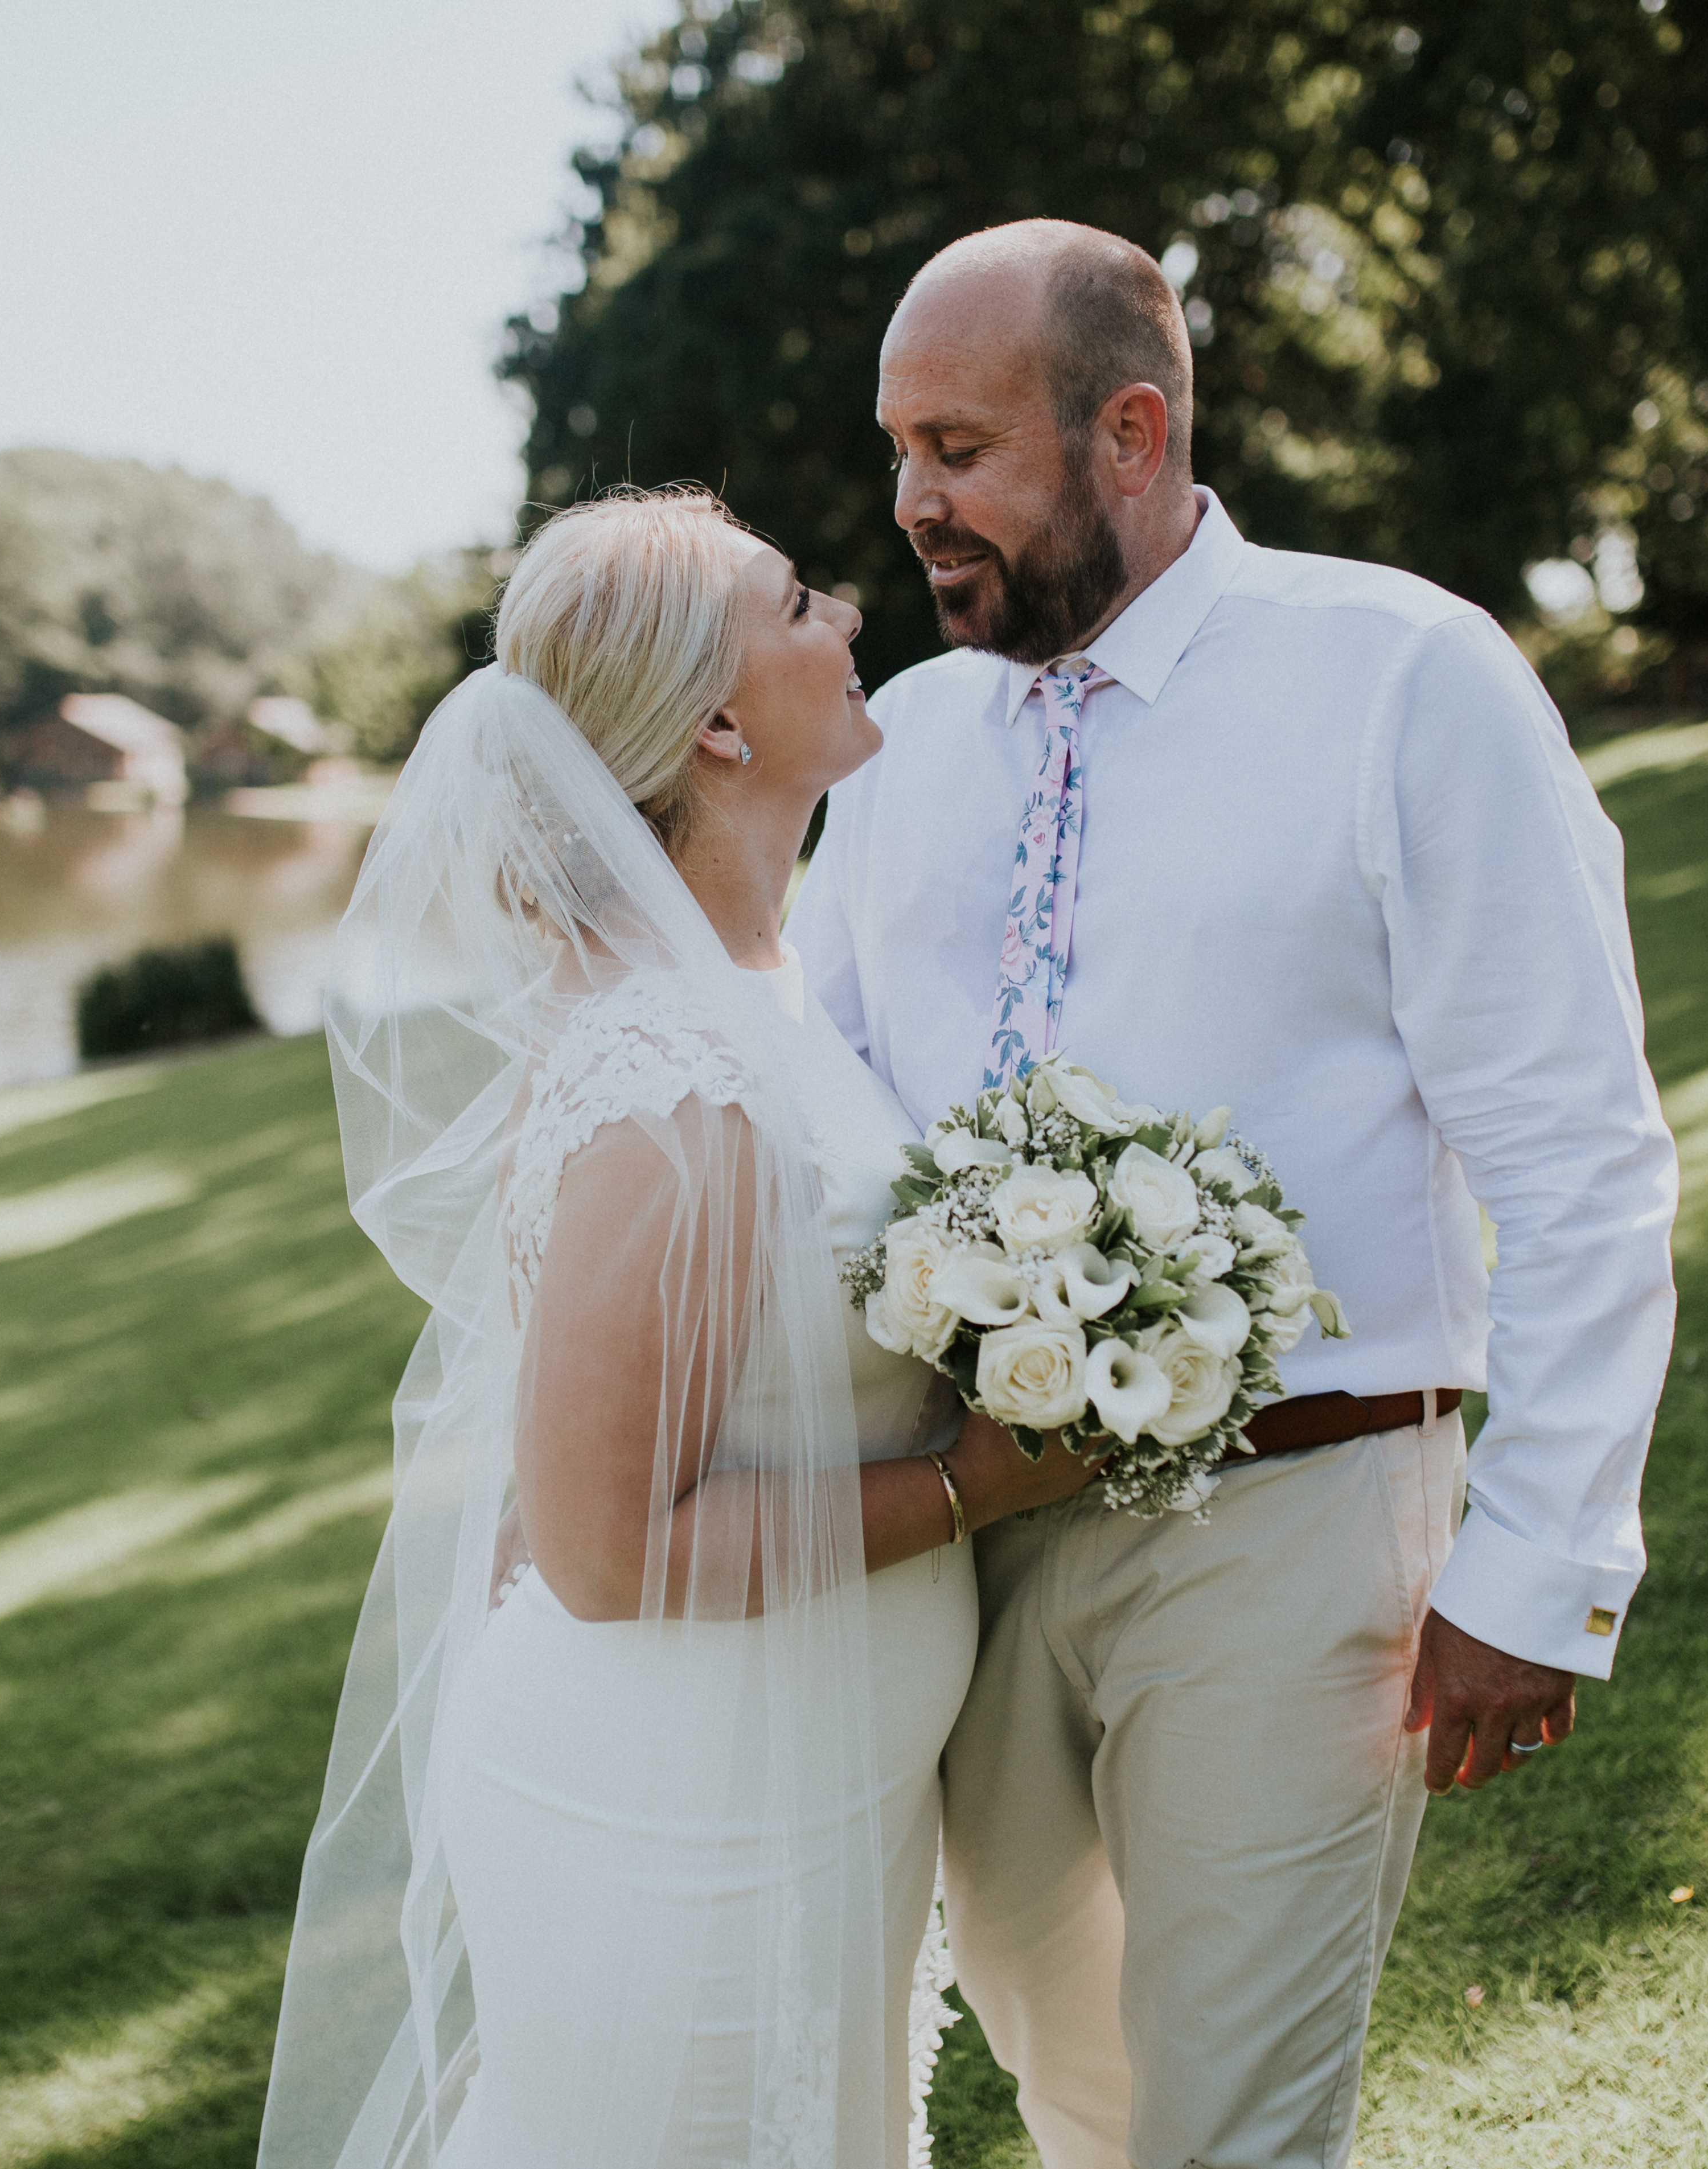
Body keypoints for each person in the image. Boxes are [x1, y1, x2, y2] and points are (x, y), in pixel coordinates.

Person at [787, 221, 1680, 2169]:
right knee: (1073, 2094)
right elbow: (807, 1108)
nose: (911, 506)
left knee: (1228, 2130)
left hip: (1302, 1507)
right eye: (898, 452)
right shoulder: (901, 741)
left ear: (1129, 429)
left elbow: (1576, 1147)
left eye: (957, 449)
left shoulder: (1402, 677)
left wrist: (1538, 1561)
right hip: (969, 1538)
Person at [260, 486, 1098, 2169]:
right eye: (797, 602)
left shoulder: (761, 996)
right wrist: (975, 1487)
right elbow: (595, 1549)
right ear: (714, 724)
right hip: (676, 1815)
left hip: (803, 1791)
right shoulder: (670, 1080)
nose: (849, 612)